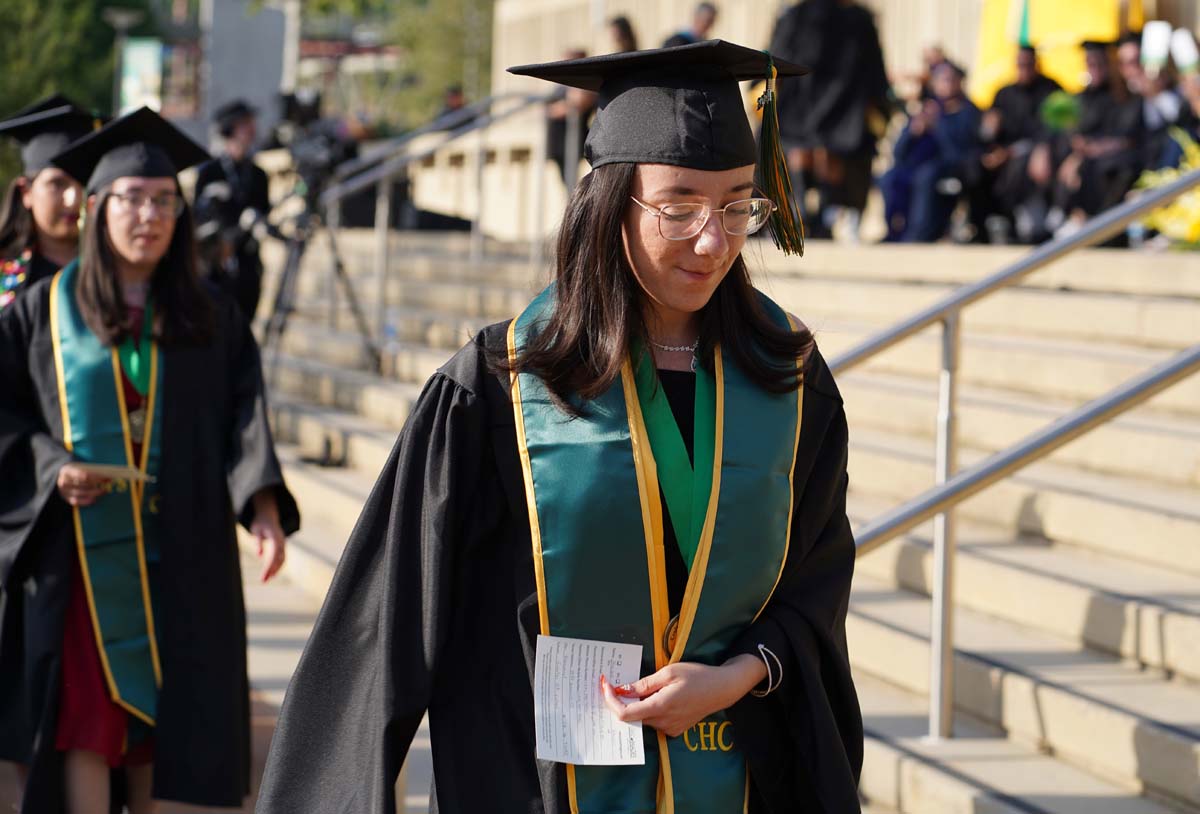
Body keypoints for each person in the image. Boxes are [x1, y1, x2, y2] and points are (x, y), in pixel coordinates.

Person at [257, 40, 862, 814]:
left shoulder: (792, 381)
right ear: (611, 202)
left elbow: (817, 580)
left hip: (737, 776)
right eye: (679, 207)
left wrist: (734, 677)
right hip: (538, 781)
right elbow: (389, 622)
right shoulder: (499, 384)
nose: (714, 239)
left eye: (740, 204)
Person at [0, 106, 299, 813]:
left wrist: (261, 504)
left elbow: (243, 415)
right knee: (91, 720)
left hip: (182, 555)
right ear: (99, 210)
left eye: (165, 201)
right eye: (133, 200)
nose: (149, 216)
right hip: (84, 562)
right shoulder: (40, 313)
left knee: (168, 728)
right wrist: (50, 465)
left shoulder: (209, 315)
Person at [769, 0, 891, 240]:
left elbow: (777, 55)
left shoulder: (799, 14)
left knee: (813, 153)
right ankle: (809, 215)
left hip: (817, 99)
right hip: (829, 99)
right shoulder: (854, 17)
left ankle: (807, 215)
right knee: (818, 154)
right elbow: (874, 66)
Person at [1037, 40, 1145, 237]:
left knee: (1093, 166)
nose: (1093, 68)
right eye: (1089, 63)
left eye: (1098, 63)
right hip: (1085, 155)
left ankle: (1083, 217)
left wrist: (1090, 150)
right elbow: (1071, 132)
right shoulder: (1080, 98)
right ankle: (1061, 213)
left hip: (1111, 156)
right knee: (1059, 151)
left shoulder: (1122, 96)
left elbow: (1127, 136)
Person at [0, 96, 100, 310]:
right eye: (57, 184)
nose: (74, 198)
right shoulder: (3, 273)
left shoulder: (114, 272)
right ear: (26, 191)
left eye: (84, 183)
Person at [969, 45, 1062, 243]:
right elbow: (989, 132)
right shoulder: (1004, 93)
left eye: (1028, 64)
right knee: (972, 167)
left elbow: (1055, 129)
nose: (1024, 69)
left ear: (1037, 64)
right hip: (1003, 152)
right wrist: (989, 132)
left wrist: (1034, 149)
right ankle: (981, 225)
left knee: (1020, 164)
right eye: (1020, 65)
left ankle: (1019, 222)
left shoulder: (1051, 90)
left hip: (1035, 152)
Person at [880, 59, 981, 242]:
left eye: (950, 79)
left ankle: (917, 234)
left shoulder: (968, 111)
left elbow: (957, 152)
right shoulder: (926, 110)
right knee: (890, 177)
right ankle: (893, 232)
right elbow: (898, 153)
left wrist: (938, 126)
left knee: (925, 176)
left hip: (951, 168)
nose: (946, 84)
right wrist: (913, 132)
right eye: (942, 80)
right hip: (917, 167)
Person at [192, 99, 271, 322]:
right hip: (216, 264)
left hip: (248, 262)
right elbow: (197, 217)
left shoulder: (258, 175)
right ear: (230, 129)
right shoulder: (210, 171)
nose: (251, 129)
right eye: (245, 124)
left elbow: (264, 211)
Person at [545, 49, 598, 187]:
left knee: (573, 182)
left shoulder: (583, 82)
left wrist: (554, 109)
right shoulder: (564, 83)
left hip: (572, 140)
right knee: (566, 182)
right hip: (559, 141)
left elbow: (578, 103)